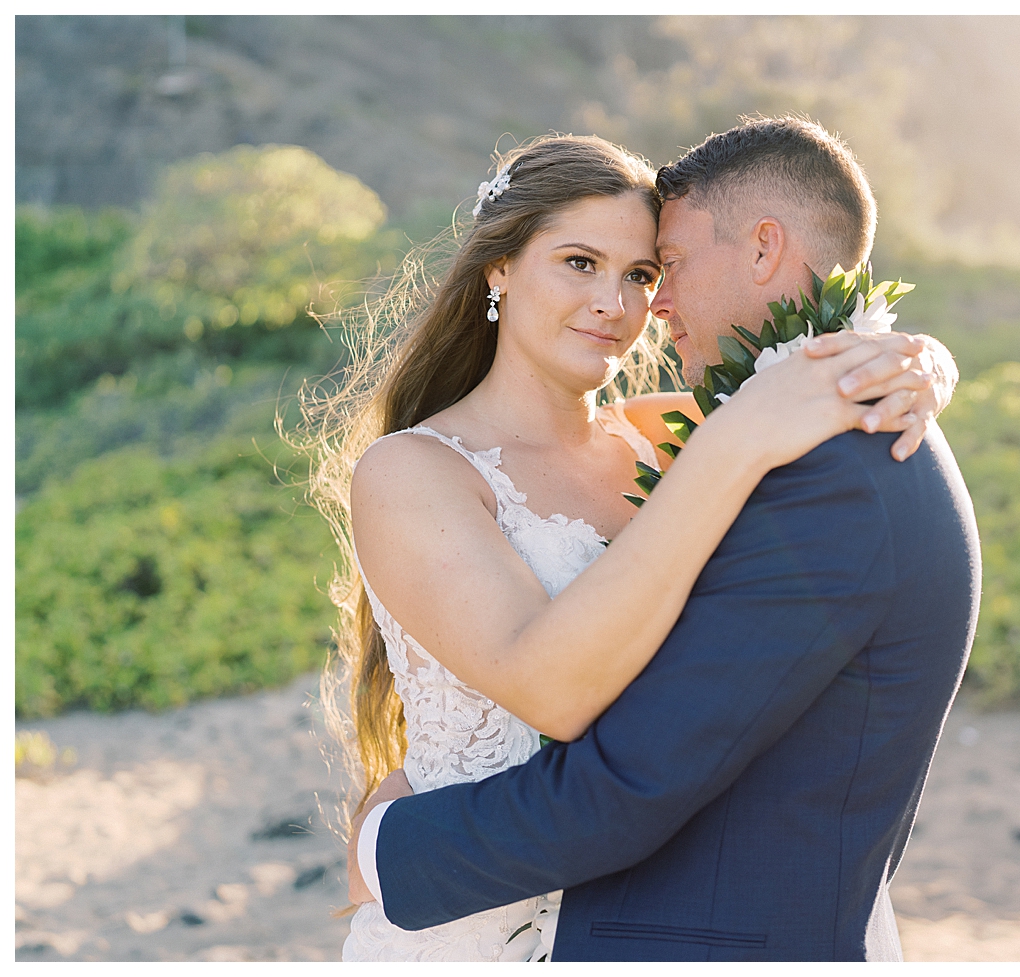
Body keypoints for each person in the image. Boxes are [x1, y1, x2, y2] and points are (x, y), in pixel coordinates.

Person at [303, 129, 963, 962]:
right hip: (474, 919)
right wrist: (740, 436)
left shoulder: (667, 436)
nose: (617, 304)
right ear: (498, 268)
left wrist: (924, 362)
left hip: (641, 904)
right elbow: (550, 689)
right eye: (580, 262)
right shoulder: (413, 473)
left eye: (644, 274)